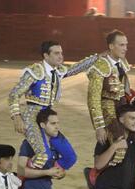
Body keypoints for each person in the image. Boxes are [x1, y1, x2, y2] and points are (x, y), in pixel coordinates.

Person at [9, 41, 97, 169]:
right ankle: (24, 179)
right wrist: (16, 117)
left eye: (61, 53)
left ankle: (47, 174)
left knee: (70, 157)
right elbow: (14, 94)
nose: (60, 56)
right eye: (56, 53)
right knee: (43, 156)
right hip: (31, 118)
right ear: (46, 55)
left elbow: (75, 68)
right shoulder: (35, 71)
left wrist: (97, 57)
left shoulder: (58, 70)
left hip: (48, 118)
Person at [17, 108, 77, 189]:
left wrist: (60, 173)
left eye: (58, 123)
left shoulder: (54, 146)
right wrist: (46, 172)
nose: (57, 127)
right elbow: (21, 170)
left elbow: (56, 169)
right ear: (43, 125)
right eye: (53, 124)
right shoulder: (29, 144)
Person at [87, 29, 134, 165]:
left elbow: (123, 89)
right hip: (108, 110)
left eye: (126, 45)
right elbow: (93, 99)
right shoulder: (100, 67)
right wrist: (99, 126)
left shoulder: (122, 62)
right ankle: (96, 176)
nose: (125, 48)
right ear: (111, 46)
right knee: (119, 148)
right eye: (121, 45)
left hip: (121, 107)